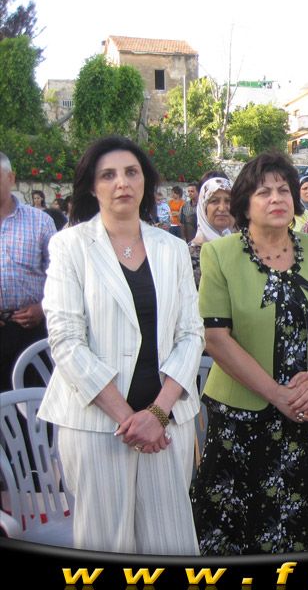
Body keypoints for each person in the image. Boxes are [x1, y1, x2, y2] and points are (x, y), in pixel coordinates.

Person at [37, 135, 203, 554]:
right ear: (92, 187)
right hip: (97, 425)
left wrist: (158, 414)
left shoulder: (172, 248)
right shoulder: (70, 246)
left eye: (131, 172)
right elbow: (66, 340)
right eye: (108, 175)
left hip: (167, 424)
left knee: (170, 542)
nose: (121, 183)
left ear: (145, 181)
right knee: (106, 544)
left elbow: (191, 334)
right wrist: (131, 420)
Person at [191, 150, 308, 555]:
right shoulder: (220, 254)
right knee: (243, 525)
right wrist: (277, 394)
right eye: (264, 192)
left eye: (283, 190)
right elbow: (216, 337)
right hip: (244, 417)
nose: (276, 198)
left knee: (305, 522)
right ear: (245, 204)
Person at [0, 152, 57, 390]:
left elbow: (60, 276)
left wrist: (42, 308)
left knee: (31, 399)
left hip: (31, 330)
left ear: (11, 178)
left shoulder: (40, 222)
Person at [188, 176, 234, 287]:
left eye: (228, 201)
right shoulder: (189, 255)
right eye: (214, 201)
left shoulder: (240, 247)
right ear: (204, 207)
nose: (222, 208)